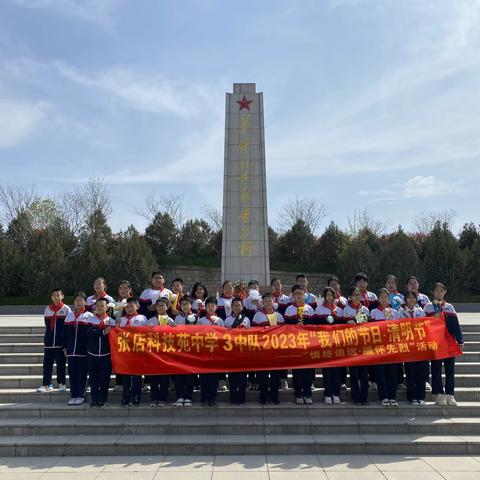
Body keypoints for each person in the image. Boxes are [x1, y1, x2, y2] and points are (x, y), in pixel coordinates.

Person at [424, 283, 464, 407]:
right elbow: (423, 326)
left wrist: (460, 340)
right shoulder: (428, 307)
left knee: (450, 369)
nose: (439, 293)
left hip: (449, 343)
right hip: (435, 343)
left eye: (441, 291)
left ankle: (450, 394)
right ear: (433, 292)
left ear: (445, 292)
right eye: (436, 291)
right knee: (436, 369)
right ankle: (438, 394)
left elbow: (455, 325)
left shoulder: (449, 307)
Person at [284, 284, 315, 404]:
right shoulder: (289, 309)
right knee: (297, 371)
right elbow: (285, 328)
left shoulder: (310, 309)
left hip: (308, 343)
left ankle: (307, 393)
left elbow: (315, 328)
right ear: (292, 295)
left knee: (308, 370)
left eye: (300, 293)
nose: (298, 296)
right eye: (296, 293)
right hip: (295, 343)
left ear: (304, 294)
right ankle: (298, 393)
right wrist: (294, 327)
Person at [252, 292, 285, 405]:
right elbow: (253, 333)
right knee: (263, 375)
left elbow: (283, 333)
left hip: (275, 349)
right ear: (262, 302)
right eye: (265, 301)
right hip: (262, 350)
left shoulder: (279, 316)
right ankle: (264, 396)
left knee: (275, 375)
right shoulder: (257, 315)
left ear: (273, 302)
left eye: (270, 301)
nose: (267, 303)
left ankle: (275, 396)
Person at [37, 288, 71, 393]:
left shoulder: (66, 309)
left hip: (60, 343)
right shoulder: (48, 309)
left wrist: (65, 342)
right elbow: (47, 325)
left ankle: (62, 383)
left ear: (62, 296)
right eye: (54, 295)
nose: (56, 297)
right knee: (47, 365)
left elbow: (68, 327)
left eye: (58, 295)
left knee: (61, 364)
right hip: (49, 343)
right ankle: (46, 384)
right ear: (51, 297)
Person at [370, 288, 400, 407]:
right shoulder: (373, 312)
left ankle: (392, 396)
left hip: (392, 347)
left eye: (386, 297)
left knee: (392, 373)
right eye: (381, 297)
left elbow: (398, 330)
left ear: (389, 298)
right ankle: (383, 396)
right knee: (381, 373)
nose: (383, 299)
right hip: (379, 347)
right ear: (378, 298)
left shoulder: (395, 312)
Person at [398, 291, 428, 405]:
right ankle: (412, 397)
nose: (411, 300)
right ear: (405, 299)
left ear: (416, 299)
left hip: (420, 346)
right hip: (408, 346)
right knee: (410, 373)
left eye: (413, 298)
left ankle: (421, 396)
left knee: (421, 372)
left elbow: (425, 327)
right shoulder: (400, 312)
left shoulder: (420, 311)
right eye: (408, 298)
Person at [315, 287, 344, 404]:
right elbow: (315, 326)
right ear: (324, 296)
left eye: (331, 295)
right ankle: (327, 393)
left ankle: (336, 394)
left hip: (336, 344)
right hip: (325, 343)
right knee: (327, 370)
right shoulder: (319, 309)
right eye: (327, 295)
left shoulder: (339, 310)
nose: (329, 297)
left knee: (336, 370)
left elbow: (343, 325)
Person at [63, 292, 92, 405]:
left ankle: (81, 395)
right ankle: (73, 394)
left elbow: (90, 336)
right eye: (76, 300)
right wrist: (64, 347)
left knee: (82, 374)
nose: (79, 302)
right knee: (72, 374)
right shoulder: (69, 316)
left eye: (81, 300)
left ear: (85, 302)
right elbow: (64, 334)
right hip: (71, 352)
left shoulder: (89, 316)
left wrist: (88, 349)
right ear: (74, 303)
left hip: (83, 352)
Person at [342, 287, 370, 405]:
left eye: (358, 294)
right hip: (352, 343)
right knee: (354, 373)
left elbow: (369, 325)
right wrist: (348, 323)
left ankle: (364, 397)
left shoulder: (365, 309)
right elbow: (342, 326)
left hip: (363, 343)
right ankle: (355, 397)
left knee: (364, 373)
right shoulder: (346, 310)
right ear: (350, 297)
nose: (357, 297)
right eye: (354, 295)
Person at [86, 297, 115, 408]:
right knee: (93, 378)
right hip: (92, 354)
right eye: (97, 306)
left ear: (107, 307)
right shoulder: (91, 319)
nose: (99, 308)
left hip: (106, 354)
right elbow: (89, 333)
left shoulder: (111, 321)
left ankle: (103, 399)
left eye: (102, 305)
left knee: (104, 379)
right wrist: (102, 332)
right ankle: (94, 399)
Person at [118, 298, 148, 406]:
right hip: (125, 351)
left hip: (137, 351)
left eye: (132, 306)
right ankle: (126, 396)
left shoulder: (142, 318)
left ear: (137, 306)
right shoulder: (121, 320)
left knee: (137, 375)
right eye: (127, 307)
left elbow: (146, 333)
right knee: (125, 375)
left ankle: (136, 395)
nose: (130, 309)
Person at [197, 297, 225, 406]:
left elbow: (224, 336)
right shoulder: (201, 321)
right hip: (204, 352)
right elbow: (197, 336)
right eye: (208, 306)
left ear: (216, 307)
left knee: (214, 377)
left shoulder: (220, 320)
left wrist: (216, 329)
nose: (210, 308)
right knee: (204, 377)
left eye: (212, 306)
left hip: (216, 353)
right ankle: (204, 398)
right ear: (205, 307)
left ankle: (213, 398)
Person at [147, 297, 174, 406]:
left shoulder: (171, 320)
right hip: (153, 352)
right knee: (153, 377)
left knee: (164, 377)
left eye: (163, 305)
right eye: (158, 305)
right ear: (155, 307)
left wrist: (173, 328)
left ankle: (162, 398)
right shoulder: (151, 320)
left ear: (167, 307)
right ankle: (154, 398)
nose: (160, 307)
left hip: (166, 353)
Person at [224, 297, 250, 405]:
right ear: (231, 307)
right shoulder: (227, 320)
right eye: (234, 305)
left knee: (242, 377)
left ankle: (242, 398)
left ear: (242, 307)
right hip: (231, 351)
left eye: (239, 305)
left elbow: (250, 335)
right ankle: (233, 397)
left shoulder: (246, 319)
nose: (236, 307)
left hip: (243, 351)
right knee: (232, 377)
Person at [173, 295, 198, 407]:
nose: (185, 306)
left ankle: (188, 397)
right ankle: (179, 396)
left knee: (190, 375)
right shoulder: (177, 318)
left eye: (187, 304)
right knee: (179, 375)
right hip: (179, 350)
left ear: (191, 305)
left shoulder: (197, 317)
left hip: (191, 350)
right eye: (182, 304)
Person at [111, 280, 132, 391]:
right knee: (119, 359)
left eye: (125, 288)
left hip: (131, 337)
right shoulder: (114, 303)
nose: (123, 290)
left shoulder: (133, 302)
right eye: (120, 288)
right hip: (118, 336)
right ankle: (119, 382)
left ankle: (133, 382)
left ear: (130, 290)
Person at [270, 277, 291, 390]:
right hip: (271, 334)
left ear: (281, 285)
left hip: (284, 332)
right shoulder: (268, 299)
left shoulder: (287, 299)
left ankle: (283, 379)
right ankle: (274, 379)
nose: (277, 286)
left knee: (283, 357)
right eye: (274, 284)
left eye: (278, 284)